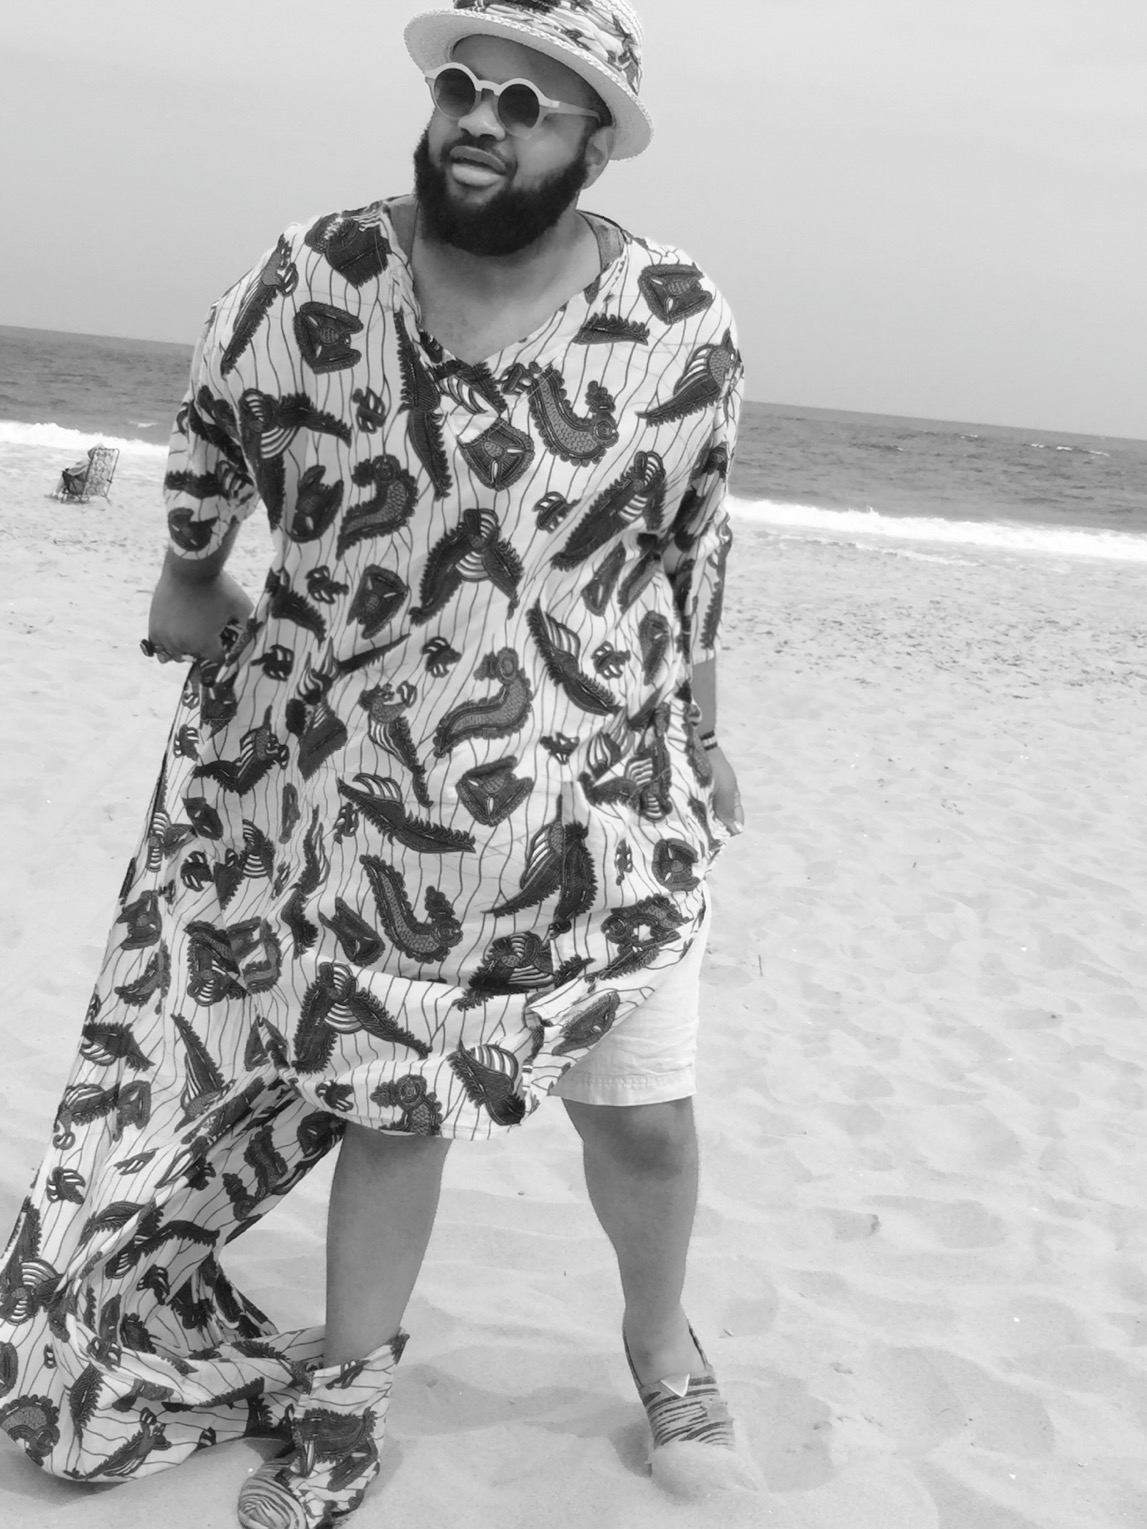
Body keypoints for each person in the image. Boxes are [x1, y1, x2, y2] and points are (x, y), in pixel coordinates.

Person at [0, 2, 754, 1522]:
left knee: (644, 1124)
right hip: (360, 803)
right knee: (391, 1111)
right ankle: (345, 1411)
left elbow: (690, 549)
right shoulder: (316, 276)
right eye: (465, 88)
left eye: (528, 107)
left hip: (598, 804)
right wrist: (192, 570)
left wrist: (706, 734)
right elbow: (214, 421)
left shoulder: (681, 323)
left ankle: (661, 1342)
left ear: (593, 144)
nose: (482, 119)